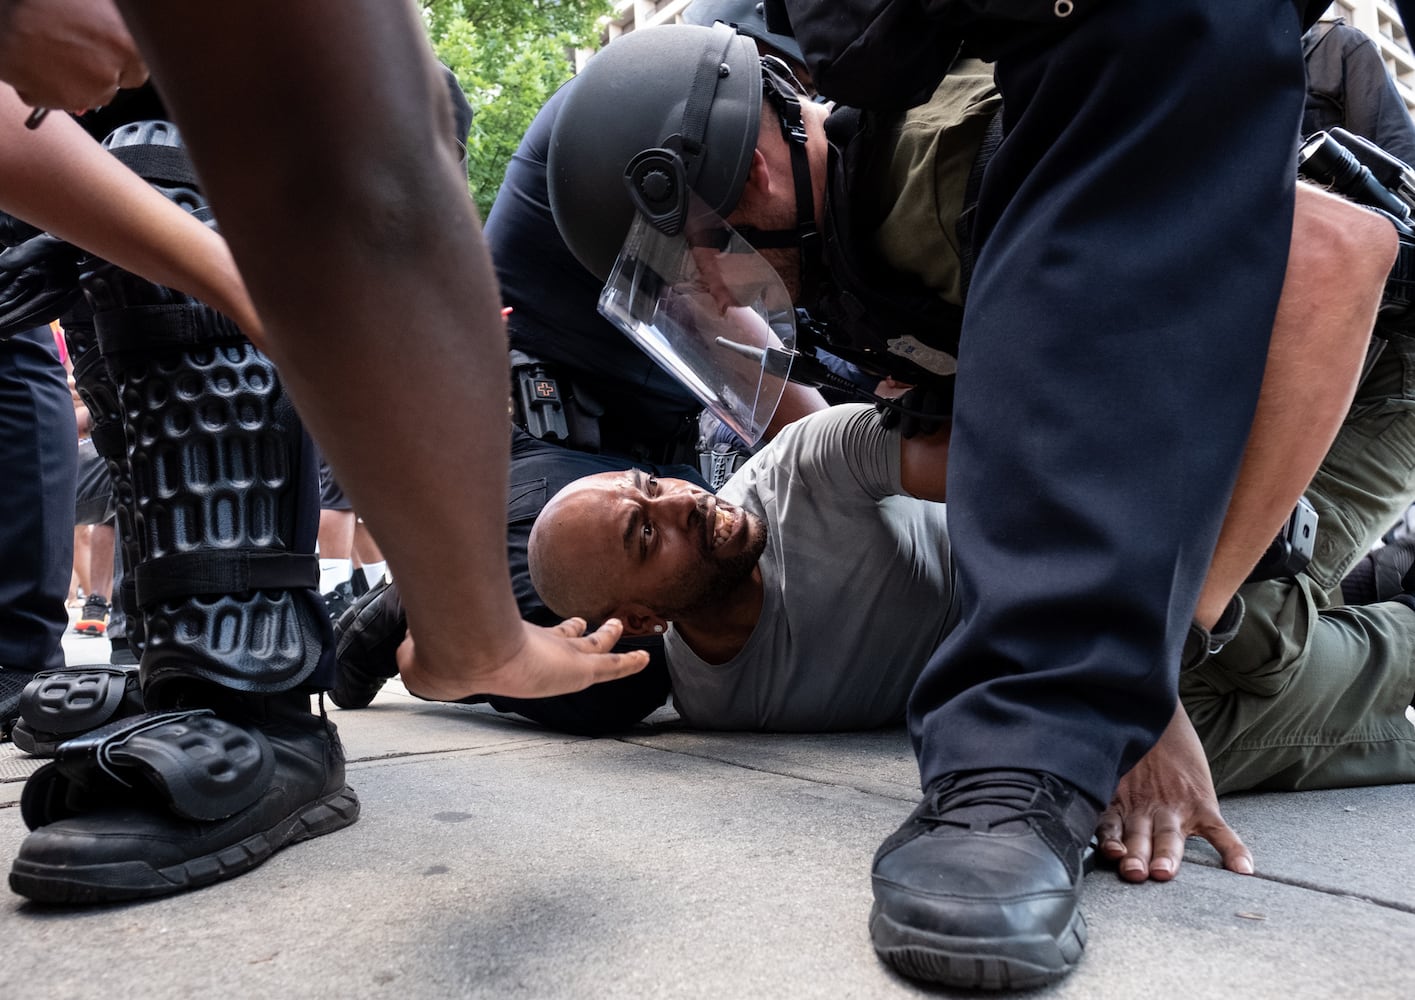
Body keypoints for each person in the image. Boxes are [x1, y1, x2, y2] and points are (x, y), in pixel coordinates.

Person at [542, 12, 1390, 987]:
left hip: (1359, 366)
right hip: (1246, 394)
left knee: (1135, 713)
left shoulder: (934, 187)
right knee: (1114, 703)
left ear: (748, 181)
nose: (712, 293)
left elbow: (1333, 260)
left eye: (692, 263)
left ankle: (1393, 648)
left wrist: (1160, 646)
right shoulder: (856, 251)